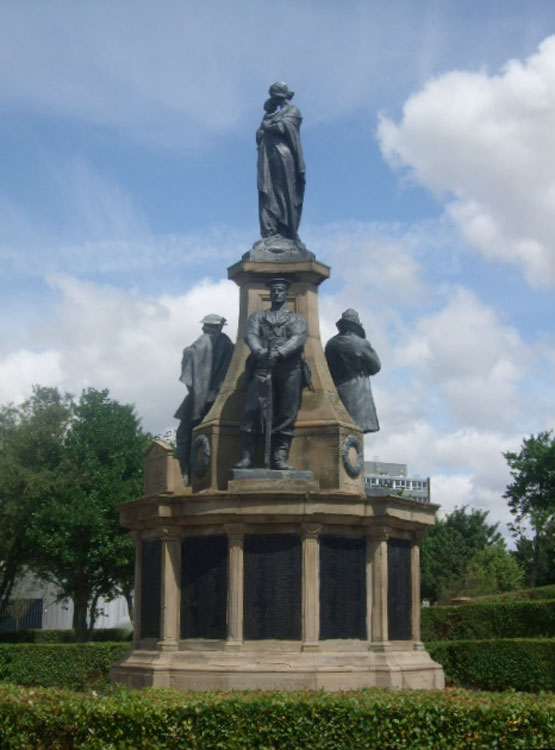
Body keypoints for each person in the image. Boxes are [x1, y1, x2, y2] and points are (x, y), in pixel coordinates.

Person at [235, 278, 308, 470]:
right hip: (262, 366)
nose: (277, 293)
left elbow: (298, 338)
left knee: (287, 412)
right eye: (274, 290)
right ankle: (247, 455)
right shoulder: (257, 318)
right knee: (253, 409)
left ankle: (279, 456)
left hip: (289, 368)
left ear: (286, 294)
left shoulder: (296, 319)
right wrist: (260, 351)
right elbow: (251, 335)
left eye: (280, 290)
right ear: (270, 294)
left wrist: (280, 352)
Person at [174, 315, 234, 482]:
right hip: (214, 397)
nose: (204, 330)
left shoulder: (193, 348)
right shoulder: (230, 346)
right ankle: (188, 473)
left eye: (206, 327)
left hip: (205, 400)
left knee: (184, 434)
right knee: (186, 434)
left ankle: (186, 472)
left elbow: (188, 379)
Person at [257, 82, 306, 242]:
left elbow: (285, 128)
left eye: (274, 96)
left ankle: (288, 230)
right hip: (269, 156)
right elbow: (261, 132)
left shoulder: (293, 111)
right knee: (269, 192)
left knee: (285, 191)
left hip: (284, 155)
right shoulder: (271, 115)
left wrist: (267, 126)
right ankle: (271, 230)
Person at [325, 309, 381, 433]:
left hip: (336, 390)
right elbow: (376, 366)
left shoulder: (331, 344)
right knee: (356, 433)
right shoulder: (361, 344)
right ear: (357, 326)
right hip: (358, 393)